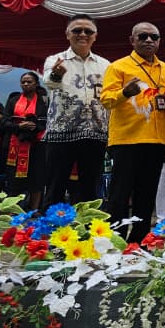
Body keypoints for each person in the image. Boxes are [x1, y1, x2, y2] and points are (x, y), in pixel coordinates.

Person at [101, 22, 165, 241]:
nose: (149, 41)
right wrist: (125, 92)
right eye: (143, 36)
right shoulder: (119, 67)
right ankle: (116, 240)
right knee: (120, 195)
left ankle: (139, 241)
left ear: (160, 41)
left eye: (154, 36)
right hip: (127, 140)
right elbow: (106, 100)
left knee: (147, 195)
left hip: (158, 140)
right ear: (132, 40)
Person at [41, 14, 110, 205]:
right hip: (61, 134)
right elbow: (49, 83)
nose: (83, 34)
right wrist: (56, 74)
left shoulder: (106, 65)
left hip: (96, 134)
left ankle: (88, 230)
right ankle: (49, 231)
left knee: (90, 190)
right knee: (55, 187)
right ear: (67, 34)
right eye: (77, 30)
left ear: (95, 36)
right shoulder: (55, 60)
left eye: (88, 31)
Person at [0, 72, 49, 208]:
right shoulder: (13, 100)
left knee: (37, 179)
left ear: (36, 84)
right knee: (14, 180)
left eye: (29, 82)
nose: (26, 84)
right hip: (15, 145)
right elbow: (4, 122)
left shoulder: (44, 101)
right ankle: (13, 210)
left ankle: (34, 210)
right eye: (23, 82)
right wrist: (19, 126)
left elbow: (49, 121)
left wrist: (35, 126)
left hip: (37, 146)